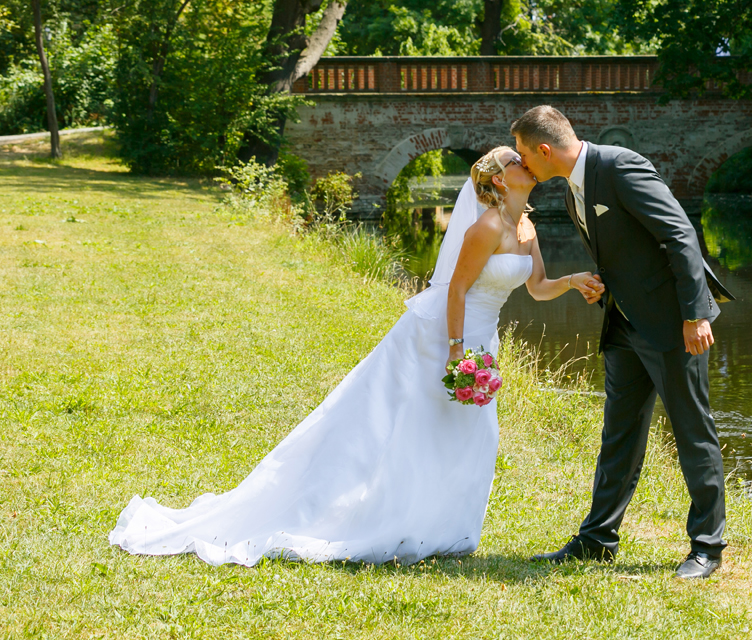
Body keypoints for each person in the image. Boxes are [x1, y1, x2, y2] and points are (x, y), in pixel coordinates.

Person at [108, 146, 604, 566]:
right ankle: (386, 517)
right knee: (412, 424)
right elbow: (455, 289)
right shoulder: (488, 227)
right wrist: (457, 351)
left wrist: (571, 281)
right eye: (518, 162)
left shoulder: (527, 230)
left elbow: (536, 287)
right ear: (500, 178)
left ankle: (445, 525)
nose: (528, 165)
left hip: (485, 341)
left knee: (468, 431)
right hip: (445, 336)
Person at [512, 106, 733, 580]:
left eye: (525, 155)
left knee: (692, 431)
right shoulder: (573, 188)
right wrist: (599, 283)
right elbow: (624, 250)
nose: (522, 164)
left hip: (673, 324)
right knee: (619, 434)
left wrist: (694, 314)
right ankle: (597, 540)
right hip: (624, 325)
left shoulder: (620, 165)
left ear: (545, 150)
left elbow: (679, 235)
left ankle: (707, 547)